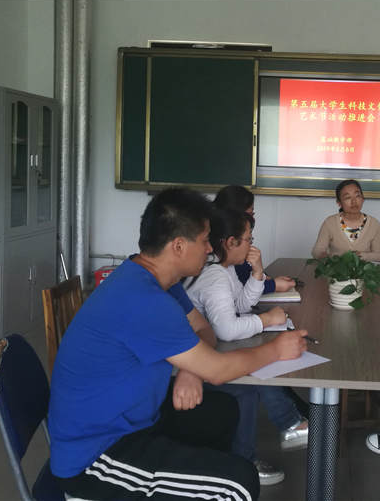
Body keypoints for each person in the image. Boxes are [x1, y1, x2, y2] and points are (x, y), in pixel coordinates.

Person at [48, 187, 308, 500]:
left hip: (137, 418)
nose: (210, 249)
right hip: (97, 453)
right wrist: (276, 349)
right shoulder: (144, 299)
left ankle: (192, 484)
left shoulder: (155, 280)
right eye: (205, 240)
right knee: (237, 484)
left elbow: (204, 329)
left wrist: (190, 369)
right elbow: (218, 370)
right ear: (179, 246)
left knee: (223, 410)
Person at [187, 208, 309, 485]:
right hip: (196, 363)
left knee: (257, 366)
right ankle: (248, 460)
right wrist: (266, 320)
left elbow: (241, 305)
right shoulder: (215, 276)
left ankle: (289, 426)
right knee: (251, 378)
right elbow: (226, 329)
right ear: (230, 242)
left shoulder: (224, 269)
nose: (252, 245)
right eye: (248, 239)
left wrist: (257, 273)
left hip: (206, 352)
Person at [213, 185, 296, 294]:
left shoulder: (230, 250)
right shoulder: (218, 260)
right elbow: (242, 286)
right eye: (250, 214)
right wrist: (273, 285)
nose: (252, 219)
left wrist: (263, 276)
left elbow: (245, 275)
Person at [311, 179, 380, 261]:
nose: (354, 201)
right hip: (337, 268)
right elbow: (316, 251)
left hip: (364, 268)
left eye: (357, 196)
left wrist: (362, 256)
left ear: (363, 199)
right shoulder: (330, 222)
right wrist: (327, 257)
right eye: (347, 197)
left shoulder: (374, 224)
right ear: (339, 203)